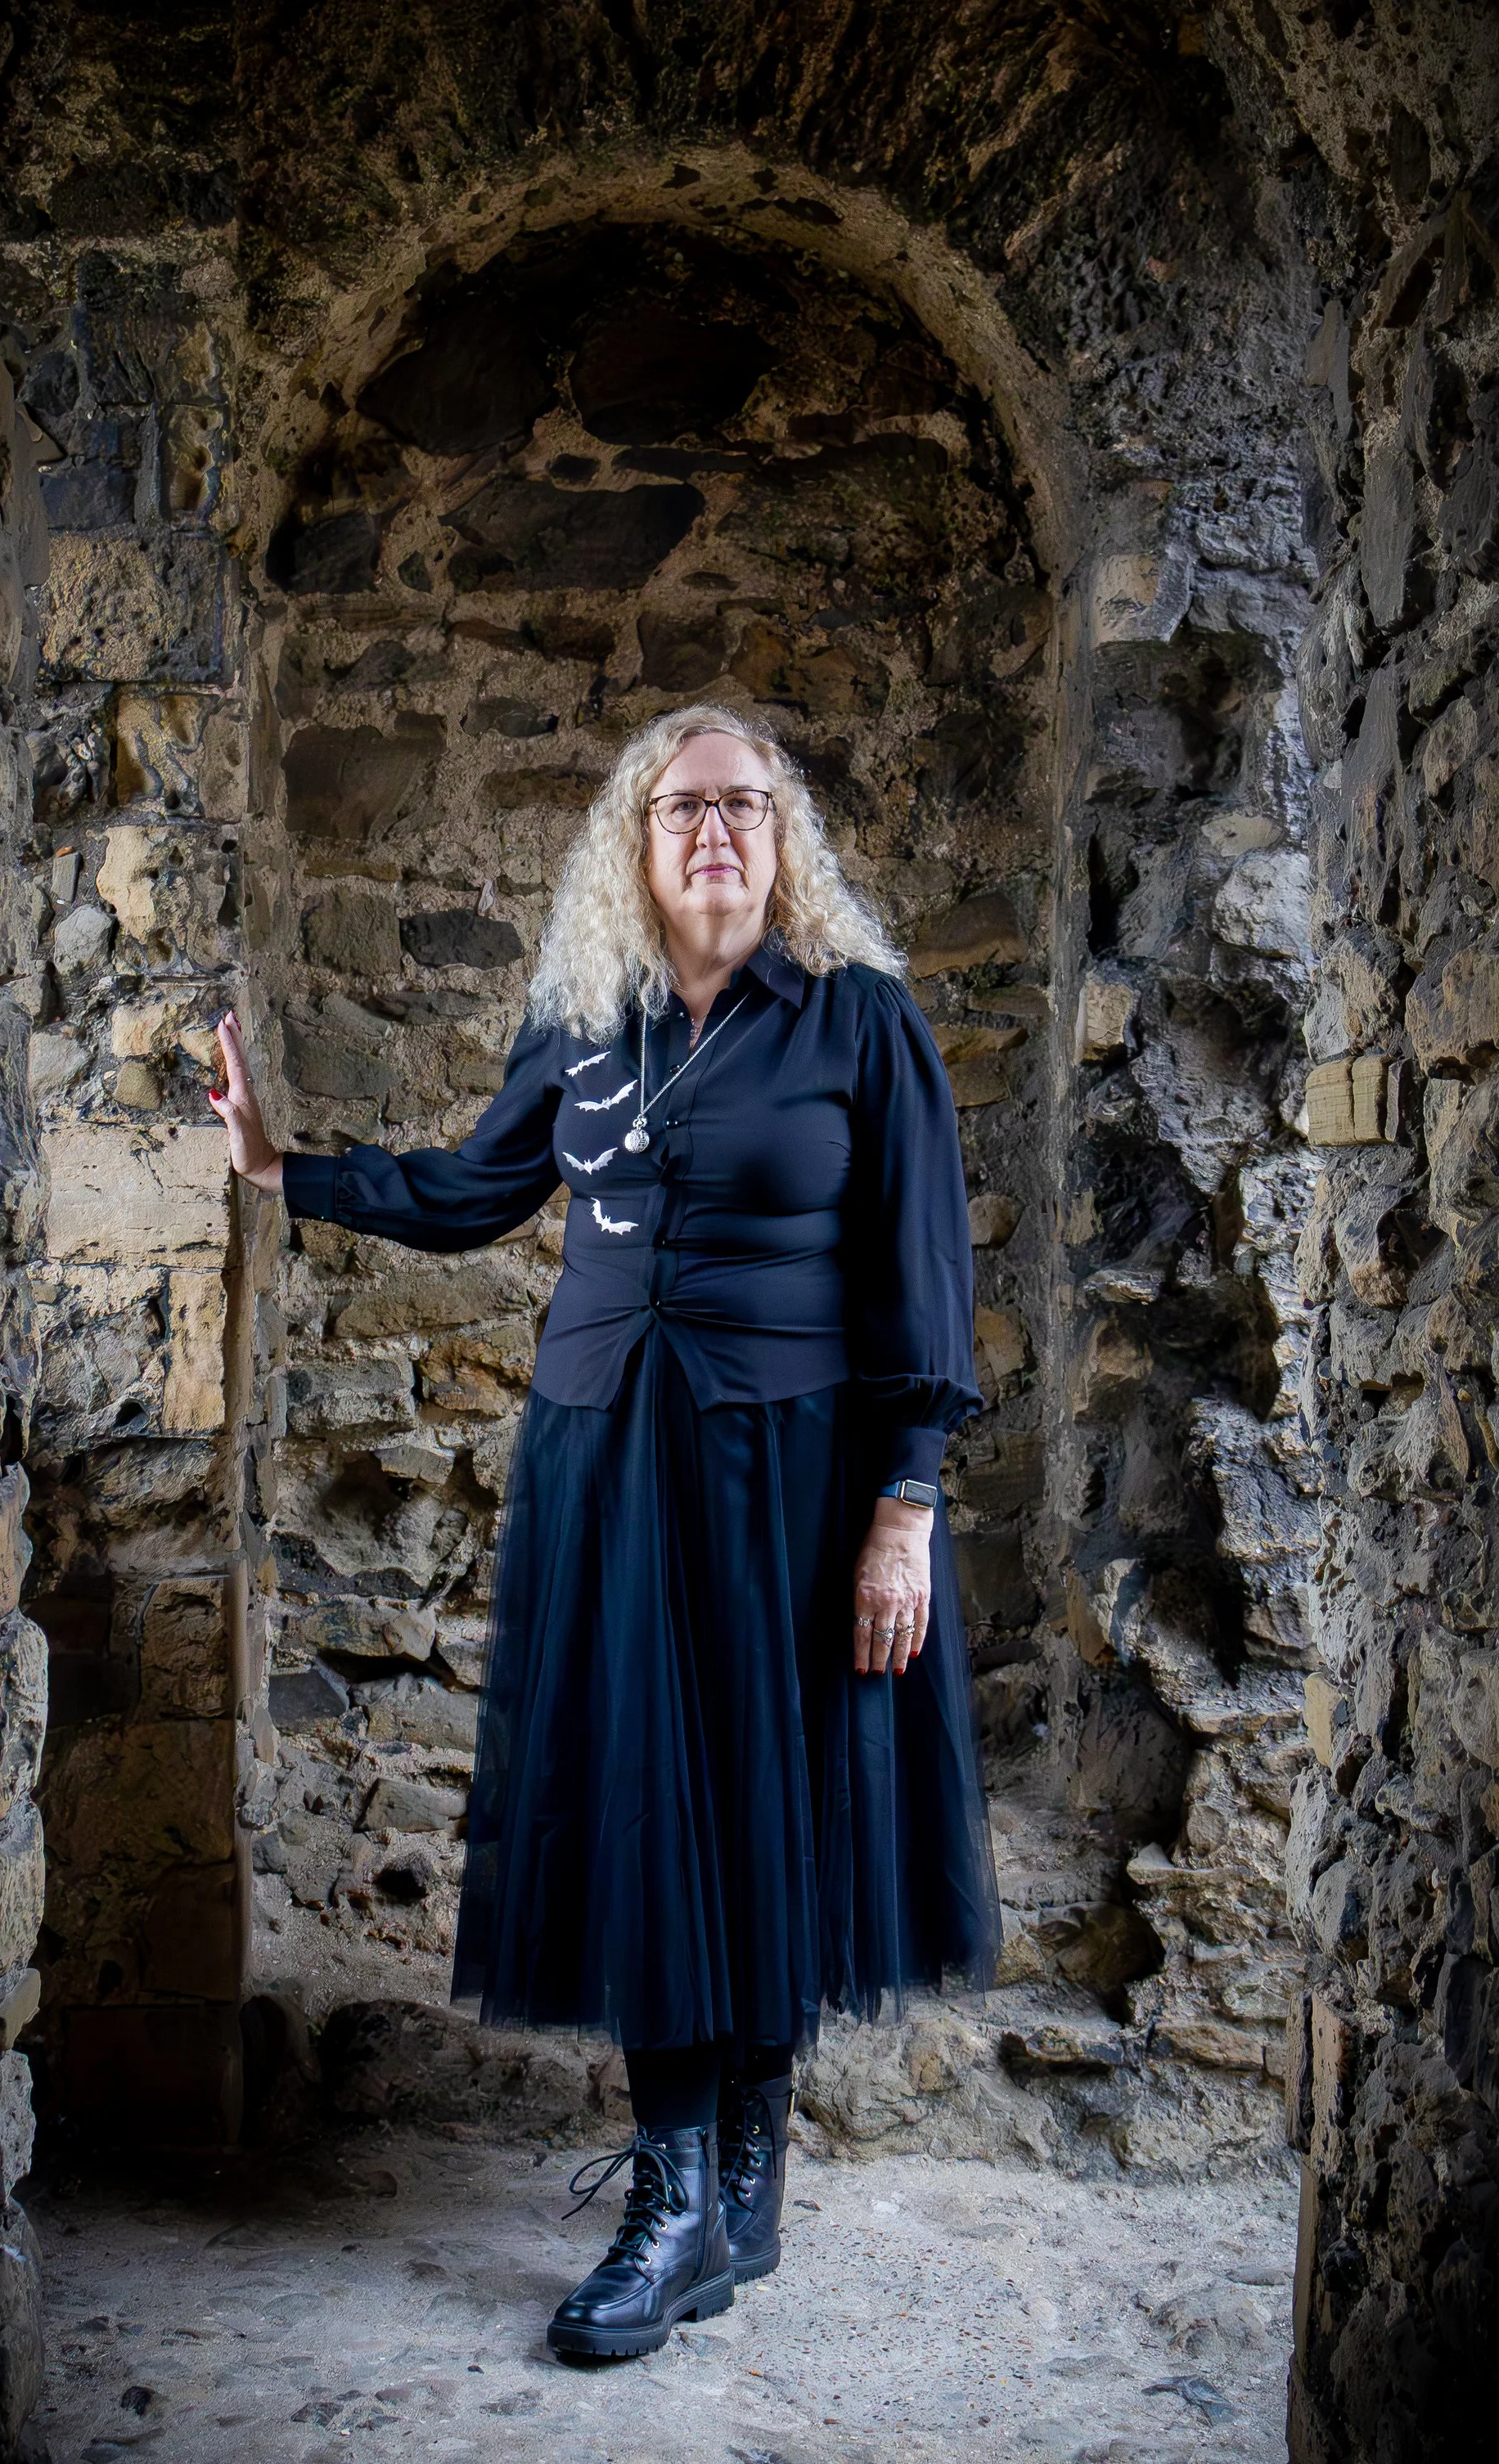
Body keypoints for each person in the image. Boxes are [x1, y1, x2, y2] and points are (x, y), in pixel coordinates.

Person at [209, 704, 998, 2358]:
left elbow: (918, 1275)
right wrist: (288, 1171)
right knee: (649, 1811)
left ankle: (733, 2171)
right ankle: (675, 2187)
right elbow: (476, 1189)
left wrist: (904, 1507)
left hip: (792, 1472)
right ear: (635, 844)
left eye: (742, 806)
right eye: (678, 806)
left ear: (781, 844)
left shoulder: (861, 1023)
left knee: (768, 1808)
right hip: (606, 1463)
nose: (713, 830)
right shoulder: (585, 1021)